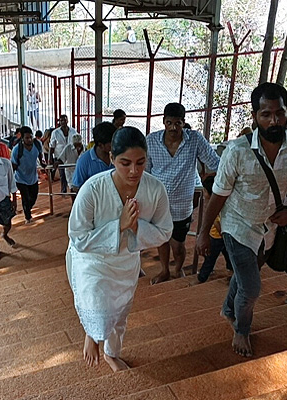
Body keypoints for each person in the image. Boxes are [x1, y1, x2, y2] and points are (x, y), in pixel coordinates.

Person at [196, 82, 287, 357]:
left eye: (280, 113)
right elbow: (218, 194)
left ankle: (228, 309)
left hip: (271, 227)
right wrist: (204, 232)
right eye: (266, 114)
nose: (274, 120)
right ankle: (241, 330)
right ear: (255, 116)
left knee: (243, 278)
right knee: (251, 287)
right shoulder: (237, 152)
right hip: (237, 226)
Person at [67, 126, 173, 372]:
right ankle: (92, 334)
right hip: (91, 259)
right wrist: (119, 226)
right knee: (98, 300)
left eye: (140, 162)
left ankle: (111, 353)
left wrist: (135, 229)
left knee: (120, 314)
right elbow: (78, 237)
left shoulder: (155, 189)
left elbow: (165, 230)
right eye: (125, 163)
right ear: (112, 159)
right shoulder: (93, 189)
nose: (134, 171)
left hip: (126, 261)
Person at [146, 102, 220, 284]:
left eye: (178, 123)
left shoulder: (194, 139)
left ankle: (178, 270)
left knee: (178, 244)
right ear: (163, 122)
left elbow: (214, 162)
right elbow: (145, 172)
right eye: (169, 123)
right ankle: (164, 271)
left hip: (182, 205)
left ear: (183, 123)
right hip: (157, 203)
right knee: (161, 240)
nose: (173, 127)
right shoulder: (151, 141)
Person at [196, 176, 232, 284]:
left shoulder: (214, 207)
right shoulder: (222, 203)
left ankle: (202, 277)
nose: (203, 192)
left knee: (210, 258)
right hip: (221, 237)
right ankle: (232, 270)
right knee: (228, 253)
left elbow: (217, 223)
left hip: (216, 237)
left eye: (205, 191)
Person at [72, 122, 116, 191]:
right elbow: (76, 187)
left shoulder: (118, 156)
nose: (115, 145)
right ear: (101, 145)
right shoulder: (84, 161)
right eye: (111, 144)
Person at [11, 126, 42, 224]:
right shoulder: (17, 150)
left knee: (33, 197)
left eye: (30, 137)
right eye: (27, 138)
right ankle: (27, 217)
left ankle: (28, 208)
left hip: (33, 177)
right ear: (22, 139)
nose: (29, 140)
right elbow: (14, 165)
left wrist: (43, 163)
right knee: (25, 197)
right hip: (21, 178)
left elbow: (40, 154)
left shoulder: (37, 144)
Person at [50, 115, 78, 194]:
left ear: (67, 121)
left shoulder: (73, 131)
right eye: (61, 120)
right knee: (62, 173)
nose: (63, 122)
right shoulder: (55, 132)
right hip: (59, 156)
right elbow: (52, 146)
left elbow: (76, 142)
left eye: (64, 120)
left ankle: (72, 188)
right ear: (59, 122)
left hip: (70, 156)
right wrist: (50, 158)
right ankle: (63, 189)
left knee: (71, 172)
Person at [56, 133, 85, 201]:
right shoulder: (68, 148)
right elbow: (61, 158)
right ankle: (74, 205)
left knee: (82, 188)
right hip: (70, 171)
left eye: (79, 144)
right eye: (76, 145)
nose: (77, 146)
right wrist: (56, 163)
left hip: (82, 172)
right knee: (72, 189)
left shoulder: (85, 148)